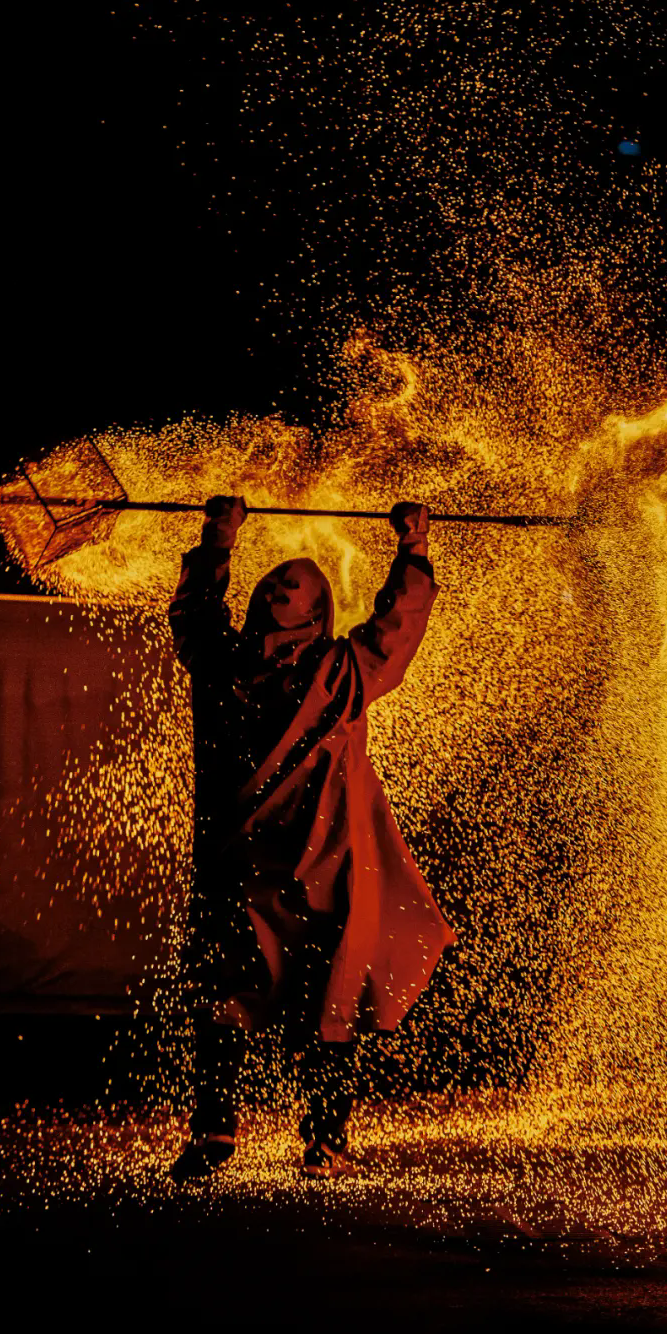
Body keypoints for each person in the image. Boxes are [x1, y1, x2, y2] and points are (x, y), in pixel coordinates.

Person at [167, 494, 455, 1182]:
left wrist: (412, 552)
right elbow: (193, 616)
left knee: (330, 1004)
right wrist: (217, 541)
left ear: (317, 612)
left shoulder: (341, 671)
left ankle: (327, 1140)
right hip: (238, 863)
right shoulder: (224, 663)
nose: (272, 589)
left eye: (288, 585)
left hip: (322, 867)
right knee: (219, 997)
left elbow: (395, 629)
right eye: (268, 582)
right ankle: (213, 1133)